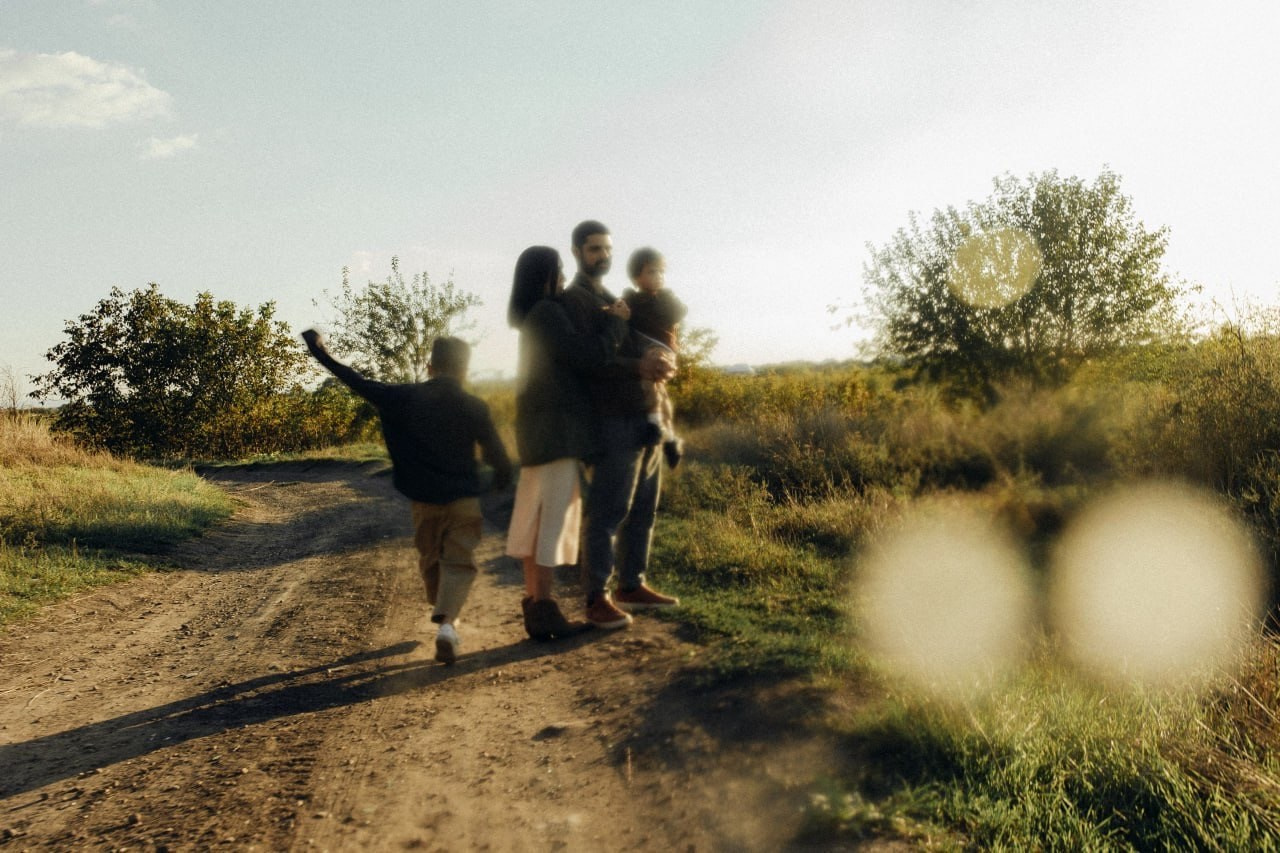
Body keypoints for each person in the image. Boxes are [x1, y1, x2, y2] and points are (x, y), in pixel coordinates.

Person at [301, 329, 511, 665]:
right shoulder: (474, 406)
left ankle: (447, 623)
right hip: (464, 500)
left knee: (430, 562)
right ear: (464, 370)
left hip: (424, 500)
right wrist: (502, 479)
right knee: (458, 562)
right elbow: (497, 454)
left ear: (430, 367)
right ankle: (448, 625)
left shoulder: (403, 398)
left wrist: (320, 352)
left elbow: (356, 380)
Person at [504, 245, 632, 640]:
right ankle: (543, 609)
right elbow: (587, 356)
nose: (563, 278)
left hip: (538, 434)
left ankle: (536, 605)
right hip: (557, 434)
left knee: (536, 518)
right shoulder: (547, 313)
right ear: (548, 275)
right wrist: (617, 324)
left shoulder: (531, 317)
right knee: (550, 520)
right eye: (559, 270)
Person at [559, 220, 680, 630]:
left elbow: (632, 343)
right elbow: (590, 362)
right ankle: (597, 596)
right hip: (611, 417)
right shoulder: (572, 301)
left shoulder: (612, 297)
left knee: (644, 508)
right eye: (594, 249)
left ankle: (632, 584)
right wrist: (639, 364)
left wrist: (658, 357)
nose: (603, 256)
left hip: (642, 413)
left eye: (607, 249)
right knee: (610, 511)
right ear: (577, 252)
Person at [622, 246, 688, 470]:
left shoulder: (665, 299)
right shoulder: (632, 299)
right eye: (651, 272)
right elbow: (623, 316)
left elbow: (679, 312)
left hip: (660, 347)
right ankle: (670, 438)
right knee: (659, 391)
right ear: (636, 277)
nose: (658, 277)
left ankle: (654, 425)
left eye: (661, 272)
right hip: (641, 346)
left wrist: (660, 299)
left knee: (648, 376)